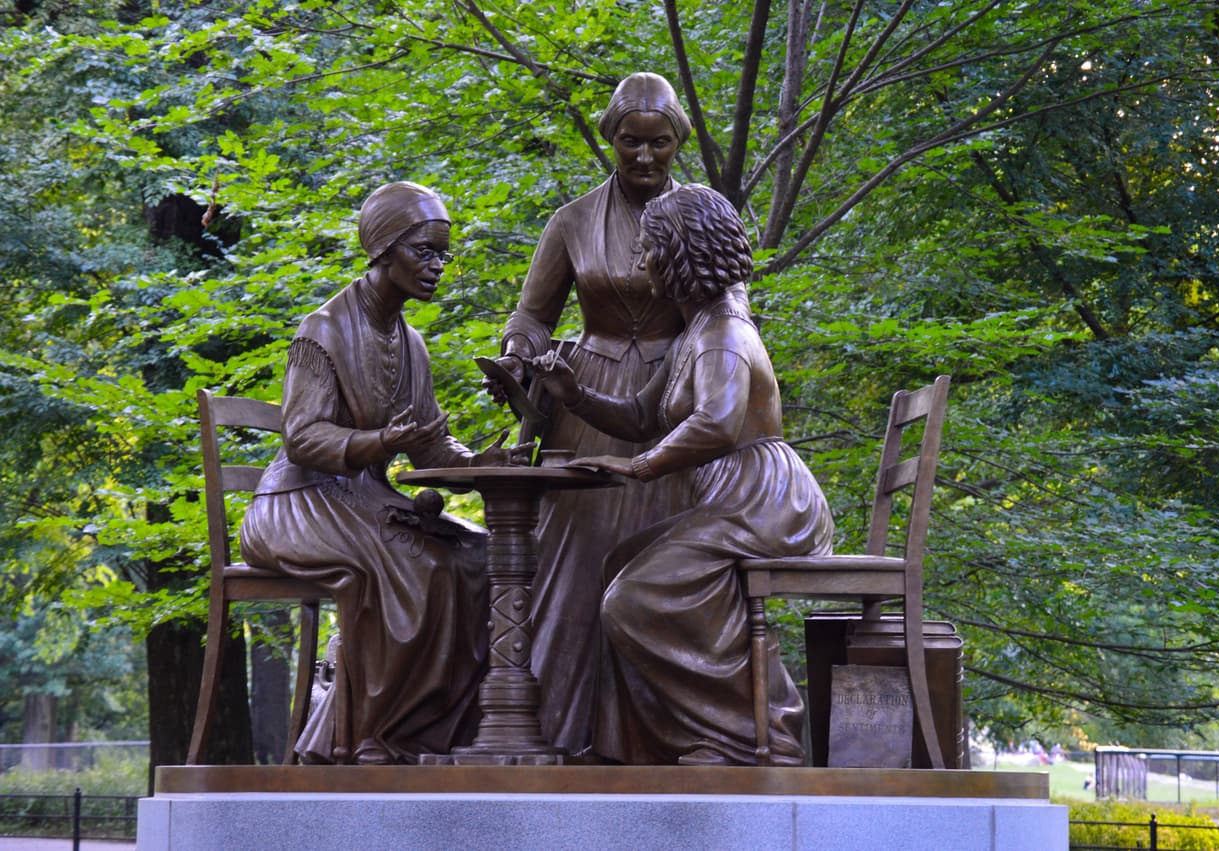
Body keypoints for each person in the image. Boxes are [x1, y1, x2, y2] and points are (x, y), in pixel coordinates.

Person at [484, 72, 748, 755]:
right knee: (575, 561)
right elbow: (532, 314)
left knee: (663, 556)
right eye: (631, 141)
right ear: (611, 139)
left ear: (677, 142)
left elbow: (730, 307)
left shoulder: (703, 214)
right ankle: (563, 729)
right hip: (591, 395)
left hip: (678, 395)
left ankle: (663, 735)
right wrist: (517, 354)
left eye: (659, 143)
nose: (644, 156)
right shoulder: (571, 220)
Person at [530, 184, 834, 766]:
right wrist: (576, 394)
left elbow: (717, 425)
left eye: (649, 250)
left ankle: (749, 737)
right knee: (617, 567)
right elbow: (644, 415)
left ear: (679, 254)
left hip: (762, 503)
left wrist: (640, 467)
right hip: (732, 500)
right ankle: (628, 748)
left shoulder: (722, 334)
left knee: (633, 600)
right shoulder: (694, 331)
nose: (639, 263)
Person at [240, 181, 531, 765]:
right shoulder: (322, 330)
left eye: (442, 253)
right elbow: (302, 438)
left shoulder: (412, 341)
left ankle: (429, 732)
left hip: (366, 499)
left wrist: (478, 462)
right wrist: (378, 441)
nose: (437, 265)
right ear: (383, 249)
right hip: (297, 503)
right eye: (424, 251)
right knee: (415, 564)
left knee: (479, 558)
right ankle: (368, 735)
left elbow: (428, 443)